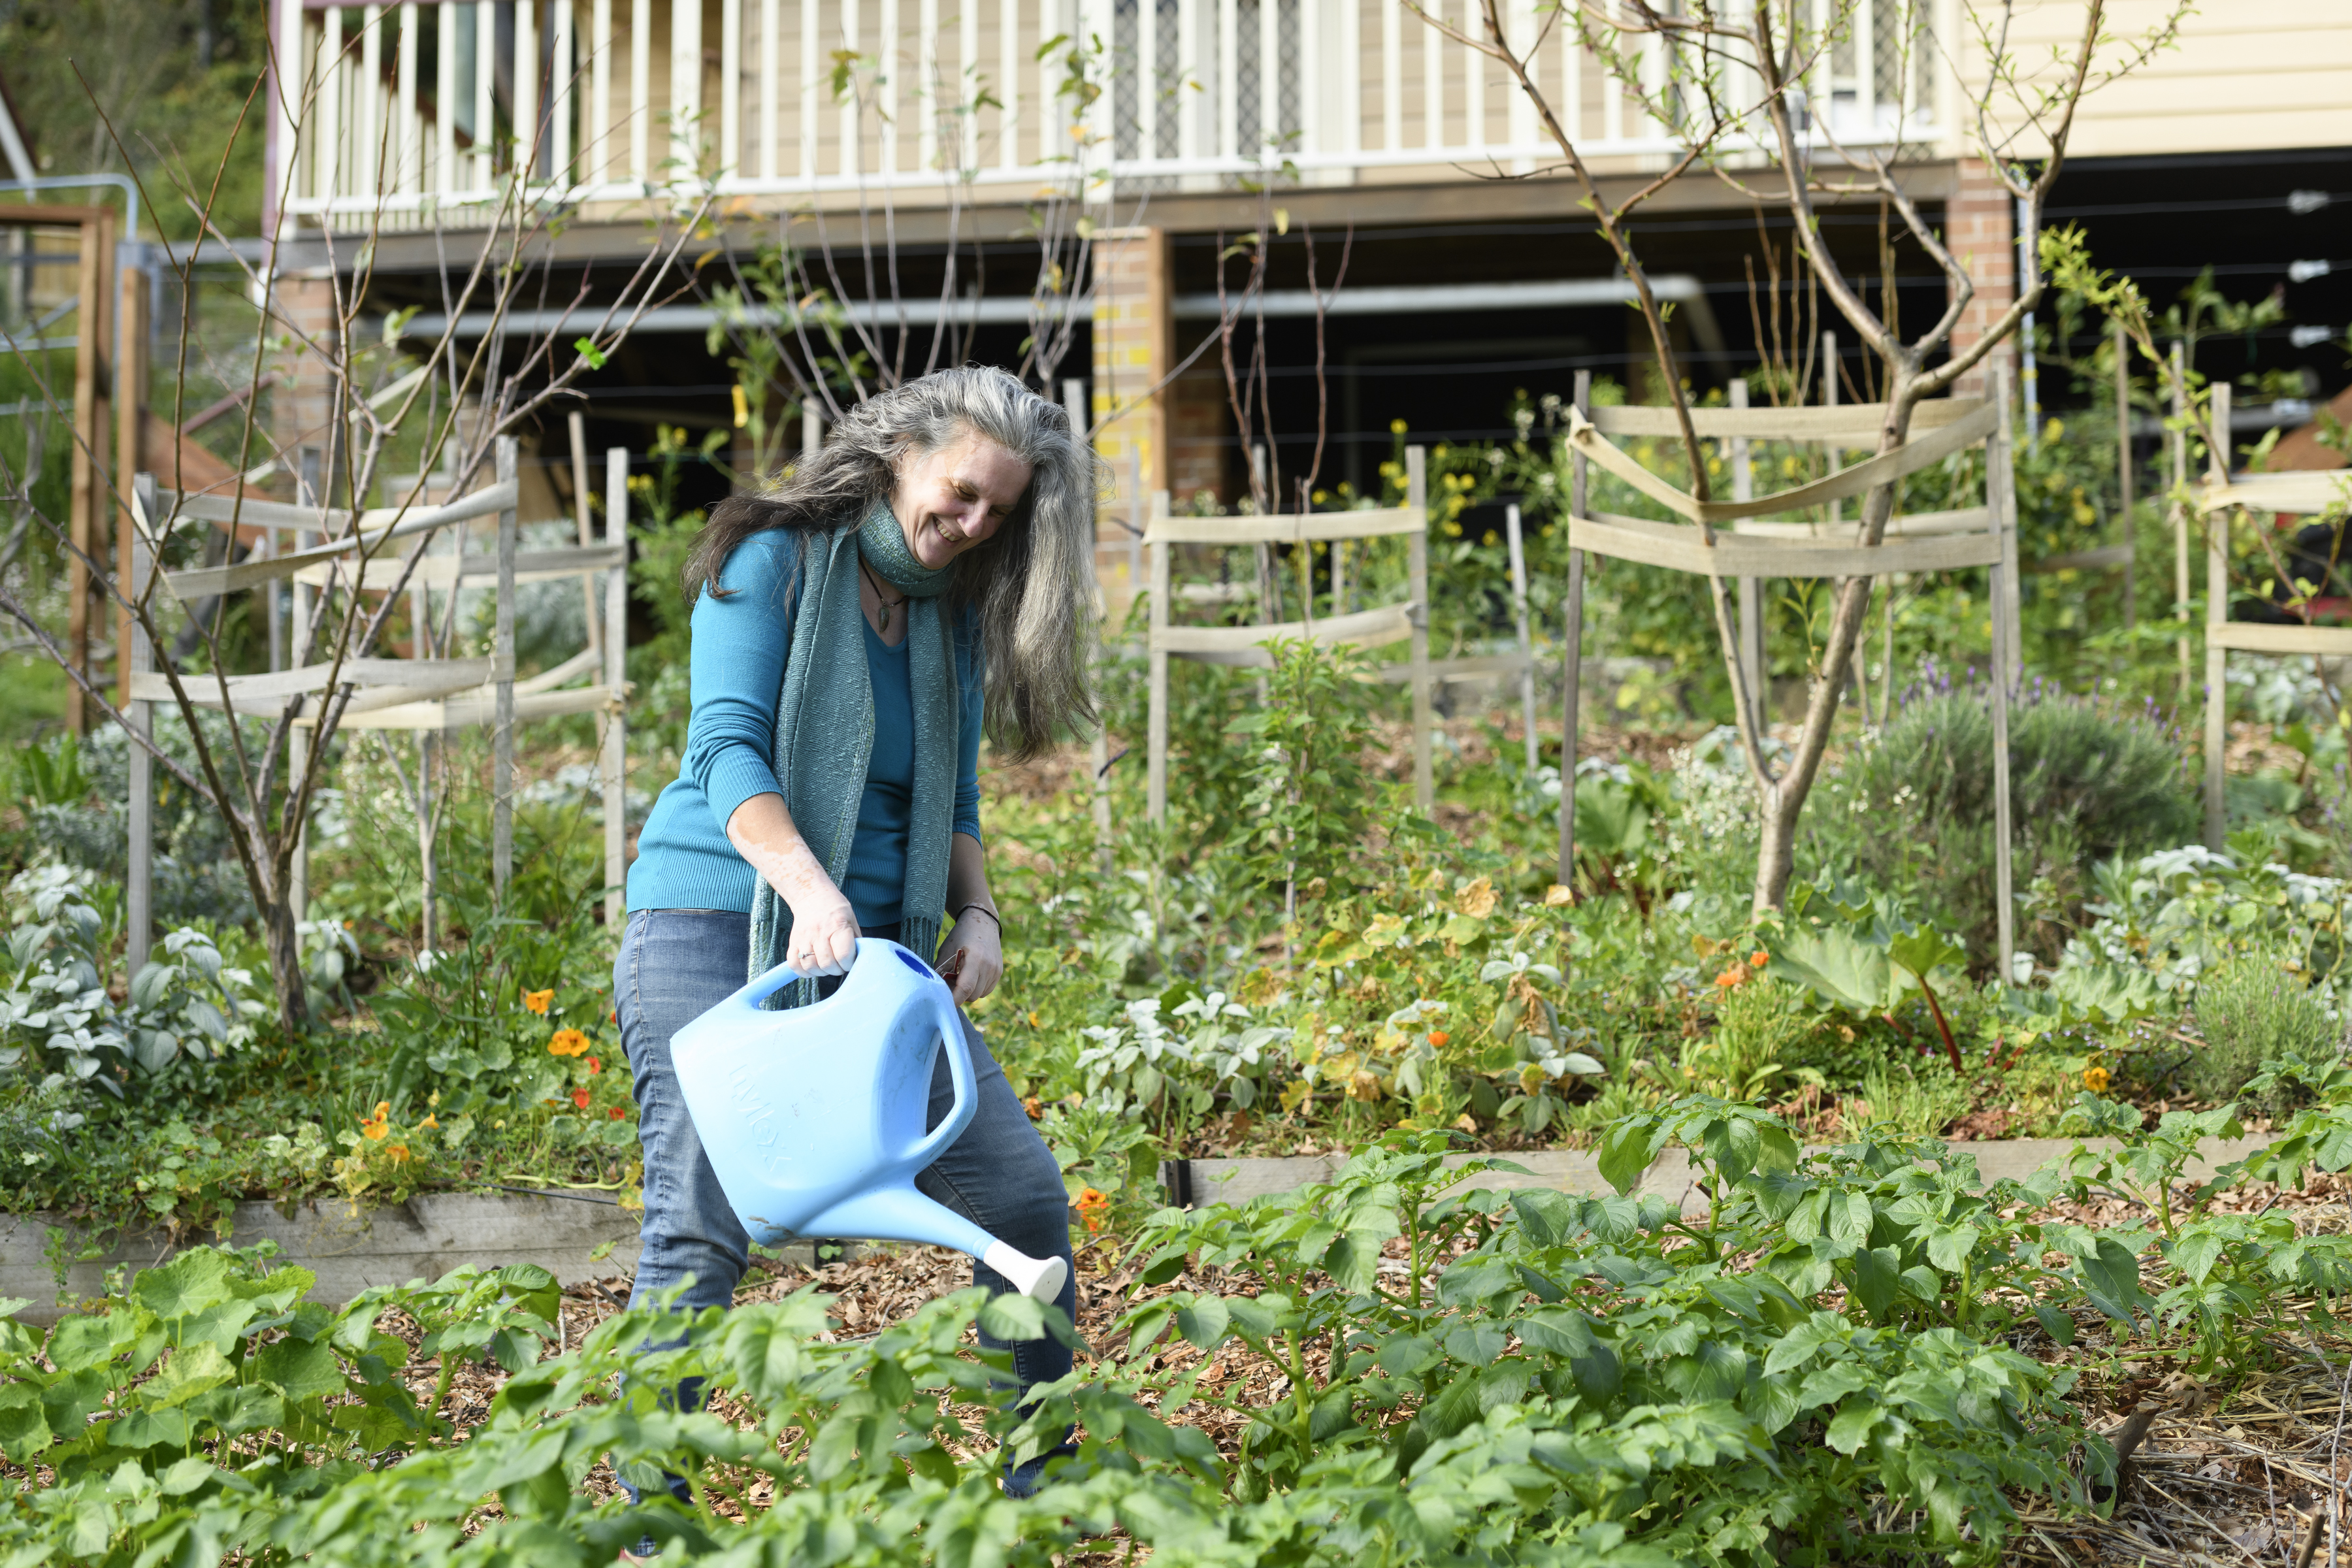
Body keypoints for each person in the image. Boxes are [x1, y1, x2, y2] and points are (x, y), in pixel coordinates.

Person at [613, 366, 1097, 1509]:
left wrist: (975, 913)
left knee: (1022, 1200)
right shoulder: (767, 560)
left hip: (872, 958)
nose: (973, 525)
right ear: (899, 456)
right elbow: (723, 752)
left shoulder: (950, 615)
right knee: (698, 1227)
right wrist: (809, 889)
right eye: (962, 493)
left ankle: (1046, 1478)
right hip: (713, 924)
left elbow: (957, 808)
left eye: (999, 512)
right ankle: (650, 1516)